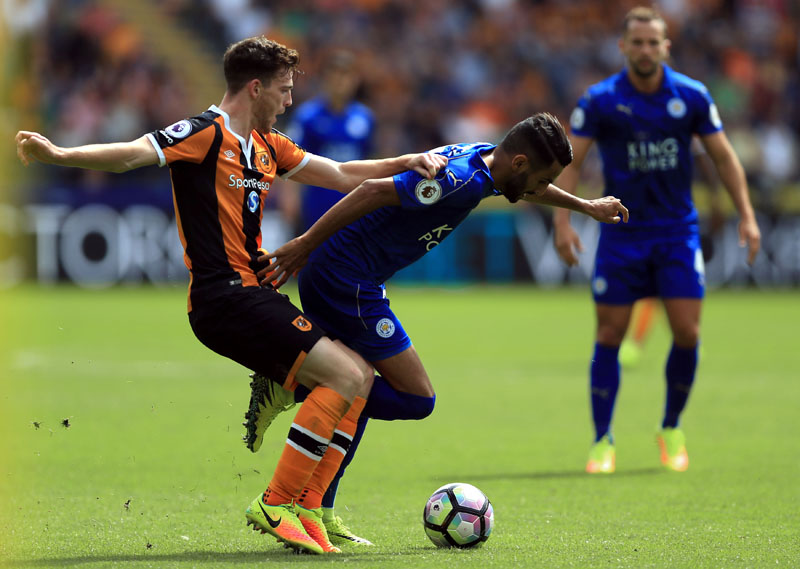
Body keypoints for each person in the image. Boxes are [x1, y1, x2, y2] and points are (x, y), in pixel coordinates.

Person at [15, 35, 447, 555]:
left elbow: (340, 173)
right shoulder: (203, 133)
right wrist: (57, 153)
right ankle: (275, 501)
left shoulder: (268, 145)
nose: (289, 101)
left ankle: (308, 508)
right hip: (223, 300)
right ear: (256, 87)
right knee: (346, 374)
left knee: (358, 374)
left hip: (255, 292)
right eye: (284, 90)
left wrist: (411, 159)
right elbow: (131, 155)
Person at [244, 112, 629, 543]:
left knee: (359, 389)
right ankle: (294, 386)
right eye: (542, 178)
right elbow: (371, 190)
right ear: (519, 163)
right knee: (414, 396)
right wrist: (304, 245)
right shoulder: (459, 179)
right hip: (344, 279)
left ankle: (317, 506)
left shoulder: (488, 159)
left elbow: (531, 189)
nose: (542, 189)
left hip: (355, 279)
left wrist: (585, 206)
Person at [551, 7, 761, 474]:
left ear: (666, 47)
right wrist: (562, 221)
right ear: (623, 47)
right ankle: (602, 439)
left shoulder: (691, 95)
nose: (645, 49)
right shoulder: (600, 100)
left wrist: (746, 214)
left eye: (654, 42)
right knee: (609, 334)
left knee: (687, 332)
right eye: (637, 42)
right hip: (622, 233)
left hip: (676, 233)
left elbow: (724, 159)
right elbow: (572, 161)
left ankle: (670, 427)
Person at [618, 137, 723, 369]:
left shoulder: (678, 123)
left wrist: (715, 200)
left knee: (661, 285)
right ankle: (687, 341)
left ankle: (641, 343)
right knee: (663, 286)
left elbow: (703, 159)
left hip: (674, 218)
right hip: (651, 215)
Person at [282, 49, 375, 233]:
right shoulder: (307, 116)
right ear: (325, 79)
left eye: (346, 75)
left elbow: (370, 162)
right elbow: (289, 160)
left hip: (353, 208)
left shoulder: (365, 118)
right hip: (315, 208)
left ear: (355, 80)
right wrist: (290, 199)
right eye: (335, 75)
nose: (340, 81)